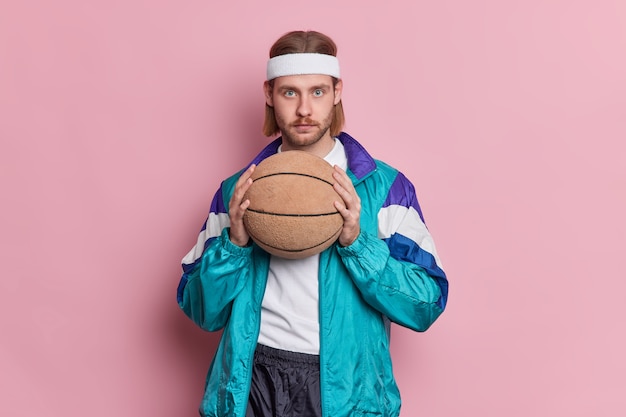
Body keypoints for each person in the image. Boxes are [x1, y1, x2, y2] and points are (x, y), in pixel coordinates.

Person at [177, 30, 449, 417]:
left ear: (337, 92)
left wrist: (358, 244)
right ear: (269, 94)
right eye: (290, 92)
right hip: (250, 381)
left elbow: (426, 304)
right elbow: (201, 312)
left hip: (342, 389)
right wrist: (234, 246)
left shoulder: (385, 188)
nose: (305, 109)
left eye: (317, 92)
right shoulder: (236, 190)